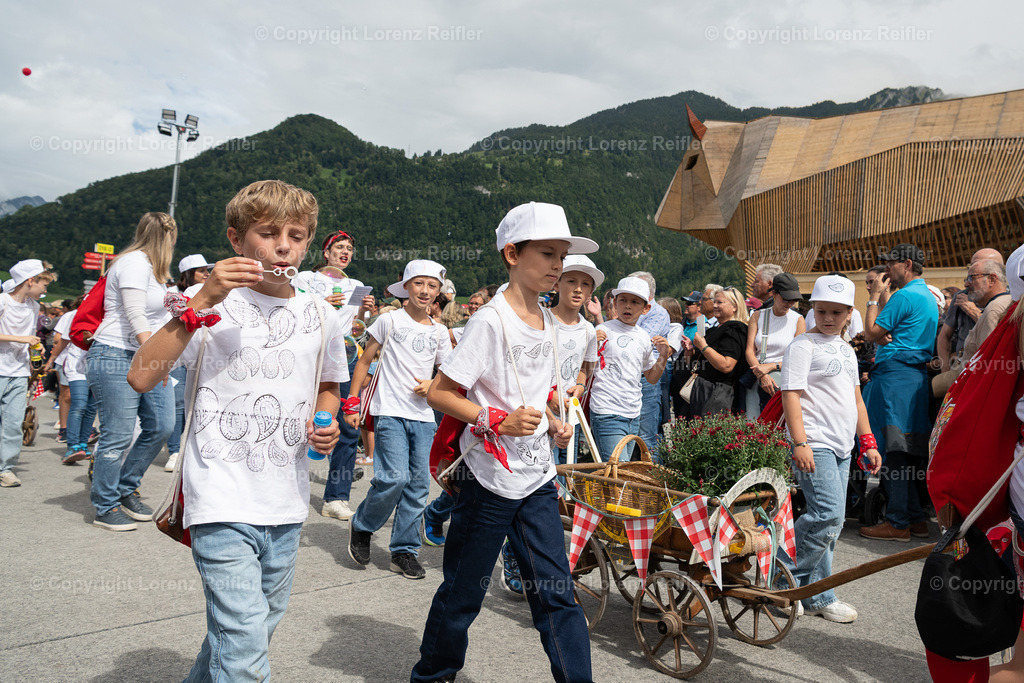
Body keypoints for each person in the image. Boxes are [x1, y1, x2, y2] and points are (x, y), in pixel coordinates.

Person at [128, 179, 345, 682]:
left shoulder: (322, 314)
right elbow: (141, 376)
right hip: (219, 496)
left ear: (308, 243)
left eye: (296, 235)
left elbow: (329, 383)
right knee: (245, 645)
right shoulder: (205, 303)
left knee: (249, 631)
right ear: (235, 238)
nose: (283, 246)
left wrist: (326, 420)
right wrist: (203, 298)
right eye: (268, 233)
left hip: (286, 502)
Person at [411, 201, 594, 683]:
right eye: (548, 254)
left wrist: (553, 421)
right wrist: (496, 419)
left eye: (562, 256)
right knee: (463, 593)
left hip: (536, 477)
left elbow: (538, 391)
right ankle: (432, 676)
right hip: (488, 478)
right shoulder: (490, 321)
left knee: (557, 594)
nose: (558, 266)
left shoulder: (550, 321)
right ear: (512, 253)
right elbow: (441, 393)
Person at [779, 274, 882, 622]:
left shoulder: (846, 349)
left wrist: (868, 442)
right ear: (812, 308)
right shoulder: (802, 346)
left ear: (850, 313)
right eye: (821, 310)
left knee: (833, 524)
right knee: (828, 514)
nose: (827, 318)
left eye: (836, 312)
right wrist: (800, 442)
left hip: (842, 445)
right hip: (815, 442)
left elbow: (856, 400)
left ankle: (819, 595)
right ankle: (782, 579)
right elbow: (790, 395)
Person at [345, 259, 453, 580]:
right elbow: (364, 361)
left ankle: (404, 551)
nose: (425, 291)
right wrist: (352, 402)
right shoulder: (389, 320)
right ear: (406, 287)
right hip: (389, 411)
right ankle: (363, 525)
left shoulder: (439, 332)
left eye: (432, 286)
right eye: (418, 283)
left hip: (423, 417)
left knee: (418, 485)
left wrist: (432, 384)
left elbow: (447, 374)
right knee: (394, 478)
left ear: (438, 291)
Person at [86, 213, 177, 529]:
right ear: (167, 238)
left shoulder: (154, 271)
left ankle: (125, 488)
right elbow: (135, 313)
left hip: (142, 352)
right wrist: (156, 358)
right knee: (118, 435)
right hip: (115, 352)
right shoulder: (134, 263)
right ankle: (105, 505)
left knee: (162, 425)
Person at [860, 243, 939, 541]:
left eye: (890, 264)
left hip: (894, 378)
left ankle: (897, 522)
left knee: (893, 450)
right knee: (906, 449)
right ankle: (915, 518)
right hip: (913, 378)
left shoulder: (904, 295)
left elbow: (871, 333)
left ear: (906, 264)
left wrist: (873, 297)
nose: (886, 270)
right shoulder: (926, 295)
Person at [294, 230, 373, 522]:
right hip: (309, 353)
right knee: (299, 417)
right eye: (340, 246)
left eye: (350, 248)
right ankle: (286, 485)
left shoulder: (357, 286)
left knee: (349, 428)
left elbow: (357, 327)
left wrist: (363, 312)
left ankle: (336, 498)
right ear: (326, 252)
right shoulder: (305, 278)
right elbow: (294, 310)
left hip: (344, 355)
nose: (345, 251)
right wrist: (322, 302)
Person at [589, 277, 671, 461]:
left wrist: (663, 356)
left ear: (645, 308)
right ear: (614, 303)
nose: (628, 306)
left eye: (635, 302)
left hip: (633, 414)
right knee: (617, 470)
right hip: (606, 411)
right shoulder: (603, 330)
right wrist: (591, 346)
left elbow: (651, 377)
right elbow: (587, 368)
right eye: (623, 300)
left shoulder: (644, 337)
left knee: (623, 470)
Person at [0, 259, 55, 487]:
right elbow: (22, 336)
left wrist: (36, 346)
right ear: (30, 281)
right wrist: (22, 339)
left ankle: (5, 469)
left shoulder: (33, 306)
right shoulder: (3, 301)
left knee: (14, 422)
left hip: (19, 370)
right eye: (44, 285)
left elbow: (31, 335)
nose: (45, 290)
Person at [165, 254, 214, 473]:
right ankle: (174, 451)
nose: (206, 274)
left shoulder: (210, 293)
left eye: (207, 270)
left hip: (200, 355)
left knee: (196, 402)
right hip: (178, 355)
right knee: (177, 403)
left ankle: (189, 448)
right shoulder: (173, 296)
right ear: (188, 274)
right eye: (201, 271)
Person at [43, 296, 97, 465]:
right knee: (79, 404)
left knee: (91, 408)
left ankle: (83, 444)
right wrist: (51, 360)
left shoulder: (107, 315)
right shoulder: (75, 315)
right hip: (76, 366)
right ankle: (72, 446)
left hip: (98, 367)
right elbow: (62, 340)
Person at [743, 272, 805, 417]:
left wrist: (771, 366)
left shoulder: (798, 320)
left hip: (784, 380)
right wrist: (761, 374)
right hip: (757, 376)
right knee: (754, 422)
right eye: (786, 299)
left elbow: (798, 356)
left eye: (793, 300)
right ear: (775, 294)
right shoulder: (758, 316)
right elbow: (749, 351)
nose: (790, 304)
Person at [682, 286, 750, 416]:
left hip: (717, 392)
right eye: (714, 302)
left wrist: (703, 347)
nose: (715, 305)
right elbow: (692, 363)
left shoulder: (735, 330)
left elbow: (726, 365)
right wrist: (690, 350)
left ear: (734, 306)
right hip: (704, 390)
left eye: (720, 302)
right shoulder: (714, 330)